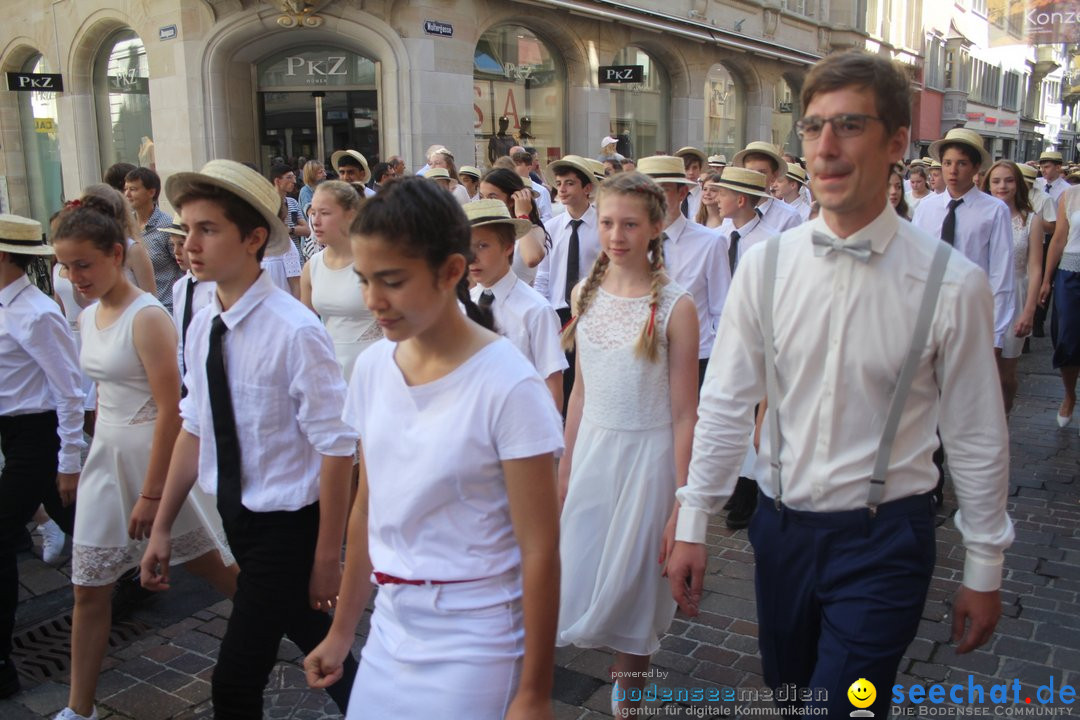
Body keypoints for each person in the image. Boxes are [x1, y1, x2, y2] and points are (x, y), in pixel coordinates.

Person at [665, 50, 1014, 718]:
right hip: (780, 530)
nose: (825, 147)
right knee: (793, 692)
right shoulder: (765, 267)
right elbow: (728, 403)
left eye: (850, 125)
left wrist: (985, 566)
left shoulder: (951, 283)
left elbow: (975, 432)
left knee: (843, 707)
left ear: (897, 143)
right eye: (814, 127)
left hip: (886, 538)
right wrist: (693, 522)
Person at [302, 176, 563, 719]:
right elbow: (368, 508)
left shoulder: (508, 385)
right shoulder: (373, 368)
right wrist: (342, 630)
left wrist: (534, 692)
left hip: (478, 632)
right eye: (364, 280)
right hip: (392, 625)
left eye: (392, 281)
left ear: (449, 271)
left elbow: (540, 548)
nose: (373, 300)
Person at [141, 159, 359, 718]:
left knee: (235, 681)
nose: (189, 244)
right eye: (186, 229)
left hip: (286, 526)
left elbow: (336, 448)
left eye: (207, 229)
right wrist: (163, 525)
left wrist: (327, 558)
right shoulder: (201, 320)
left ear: (254, 238)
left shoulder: (295, 330)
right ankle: (375, 704)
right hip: (234, 512)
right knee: (314, 637)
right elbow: (195, 424)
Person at [51, 199, 237, 720]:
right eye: (65, 266)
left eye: (83, 263)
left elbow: (171, 411)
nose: (73, 276)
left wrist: (154, 492)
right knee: (88, 589)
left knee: (224, 575)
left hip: (153, 464)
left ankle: (292, 633)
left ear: (115, 254)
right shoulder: (88, 317)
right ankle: (78, 708)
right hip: (106, 463)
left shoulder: (147, 316)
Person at [556, 172, 698, 717]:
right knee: (585, 562)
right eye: (607, 222)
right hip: (594, 451)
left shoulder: (675, 307)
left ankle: (628, 697)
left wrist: (684, 499)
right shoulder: (583, 293)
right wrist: (567, 465)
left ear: (656, 227)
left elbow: (687, 412)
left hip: (649, 460)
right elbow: (579, 393)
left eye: (630, 224)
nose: (616, 235)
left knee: (637, 580)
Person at [0, 214, 85, 699]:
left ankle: (2, 665)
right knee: (72, 515)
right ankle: (123, 564)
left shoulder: (36, 312)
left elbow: (69, 391)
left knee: (2, 532)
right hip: (12, 434)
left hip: (38, 435)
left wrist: (69, 458)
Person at [711, 167, 780, 530]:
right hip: (724, 335)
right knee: (730, 409)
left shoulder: (770, 241)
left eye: (723, 193)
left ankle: (751, 489)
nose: (715, 198)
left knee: (756, 411)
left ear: (740, 200)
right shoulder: (718, 236)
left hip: (757, 335)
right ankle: (733, 483)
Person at [912, 128, 1014, 356]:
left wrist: (996, 333)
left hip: (971, 310)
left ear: (976, 168)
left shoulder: (994, 211)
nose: (953, 170)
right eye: (947, 163)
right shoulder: (927, 208)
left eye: (962, 163)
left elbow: (1000, 271)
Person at [638, 156, 731, 385]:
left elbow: (722, 310)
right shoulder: (631, 240)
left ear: (682, 194)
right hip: (643, 358)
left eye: (663, 190)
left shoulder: (710, 243)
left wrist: (722, 364)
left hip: (694, 358)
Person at [465, 199, 567, 407]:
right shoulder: (465, 306)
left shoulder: (535, 310)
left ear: (508, 247)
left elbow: (552, 387)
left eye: (482, 246)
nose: (472, 257)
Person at [300, 181, 381, 382]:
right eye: (313, 213)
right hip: (329, 368)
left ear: (350, 215)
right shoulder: (312, 266)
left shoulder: (376, 260)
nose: (315, 221)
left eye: (325, 213)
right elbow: (306, 326)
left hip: (373, 369)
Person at [538, 156, 601, 411]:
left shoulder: (602, 226)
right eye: (559, 184)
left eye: (570, 184)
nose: (562, 190)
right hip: (558, 312)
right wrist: (543, 310)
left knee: (587, 377)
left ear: (587, 189)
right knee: (560, 375)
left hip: (590, 311)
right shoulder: (551, 227)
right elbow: (544, 274)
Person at [982, 161, 1043, 414]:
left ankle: (1003, 420)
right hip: (983, 298)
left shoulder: (1030, 220)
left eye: (1008, 180)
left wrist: (1029, 311)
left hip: (1015, 296)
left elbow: (1035, 267)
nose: (1002, 186)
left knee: (1005, 376)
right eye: (996, 181)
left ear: (1018, 184)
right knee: (984, 373)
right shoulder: (981, 214)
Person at [1039, 184, 1080, 431]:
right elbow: (1059, 238)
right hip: (1070, 274)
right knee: (1066, 337)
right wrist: (1046, 280)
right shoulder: (1071, 194)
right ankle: (1069, 394)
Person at [162, 218, 216, 384]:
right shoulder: (180, 287)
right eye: (173, 245)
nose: (177, 252)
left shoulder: (215, 287)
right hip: (189, 377)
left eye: (181, 244)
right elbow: (181, 340)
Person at [124, 167, 182, 312]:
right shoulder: (126, 227)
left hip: (167, 308)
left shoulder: (167, 226)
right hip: (135, 309)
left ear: (151, 192)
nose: (127, 194)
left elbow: (184, 267)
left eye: (133, 189)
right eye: (126, 189)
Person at [479, 168, 550, 285]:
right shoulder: (482, 230)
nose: (486, 203)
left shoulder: (533, 229)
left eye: (492, 197)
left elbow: (531, 258)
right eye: (482, 197)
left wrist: (522, 215)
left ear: (512, 199)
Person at [731, 142, 803, 232]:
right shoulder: (732, 212)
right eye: (750, 172)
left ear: (774, 176)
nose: (755, 177)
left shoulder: (789, 217)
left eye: (762, 172)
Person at [269, 163, 311, 255]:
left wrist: (290, 229)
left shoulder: (292, 202)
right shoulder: (268, 203)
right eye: (289, 177)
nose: (294, 181)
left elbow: (307, 230)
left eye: (294, 177)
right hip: (276, 255)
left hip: (296, 255)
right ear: (277, 181)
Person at [511, 148, 554, 220]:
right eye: (512, 165)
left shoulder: (541, 191)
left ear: (528, 168)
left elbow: (547, 217)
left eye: (517, 164)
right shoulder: (507, 188)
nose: (513, 168)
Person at [674, 146, 708, 219]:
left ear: (700, 169)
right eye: (686, 168)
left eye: (695, 168)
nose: (691, 172)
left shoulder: (705, 196)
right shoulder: (673, 195)